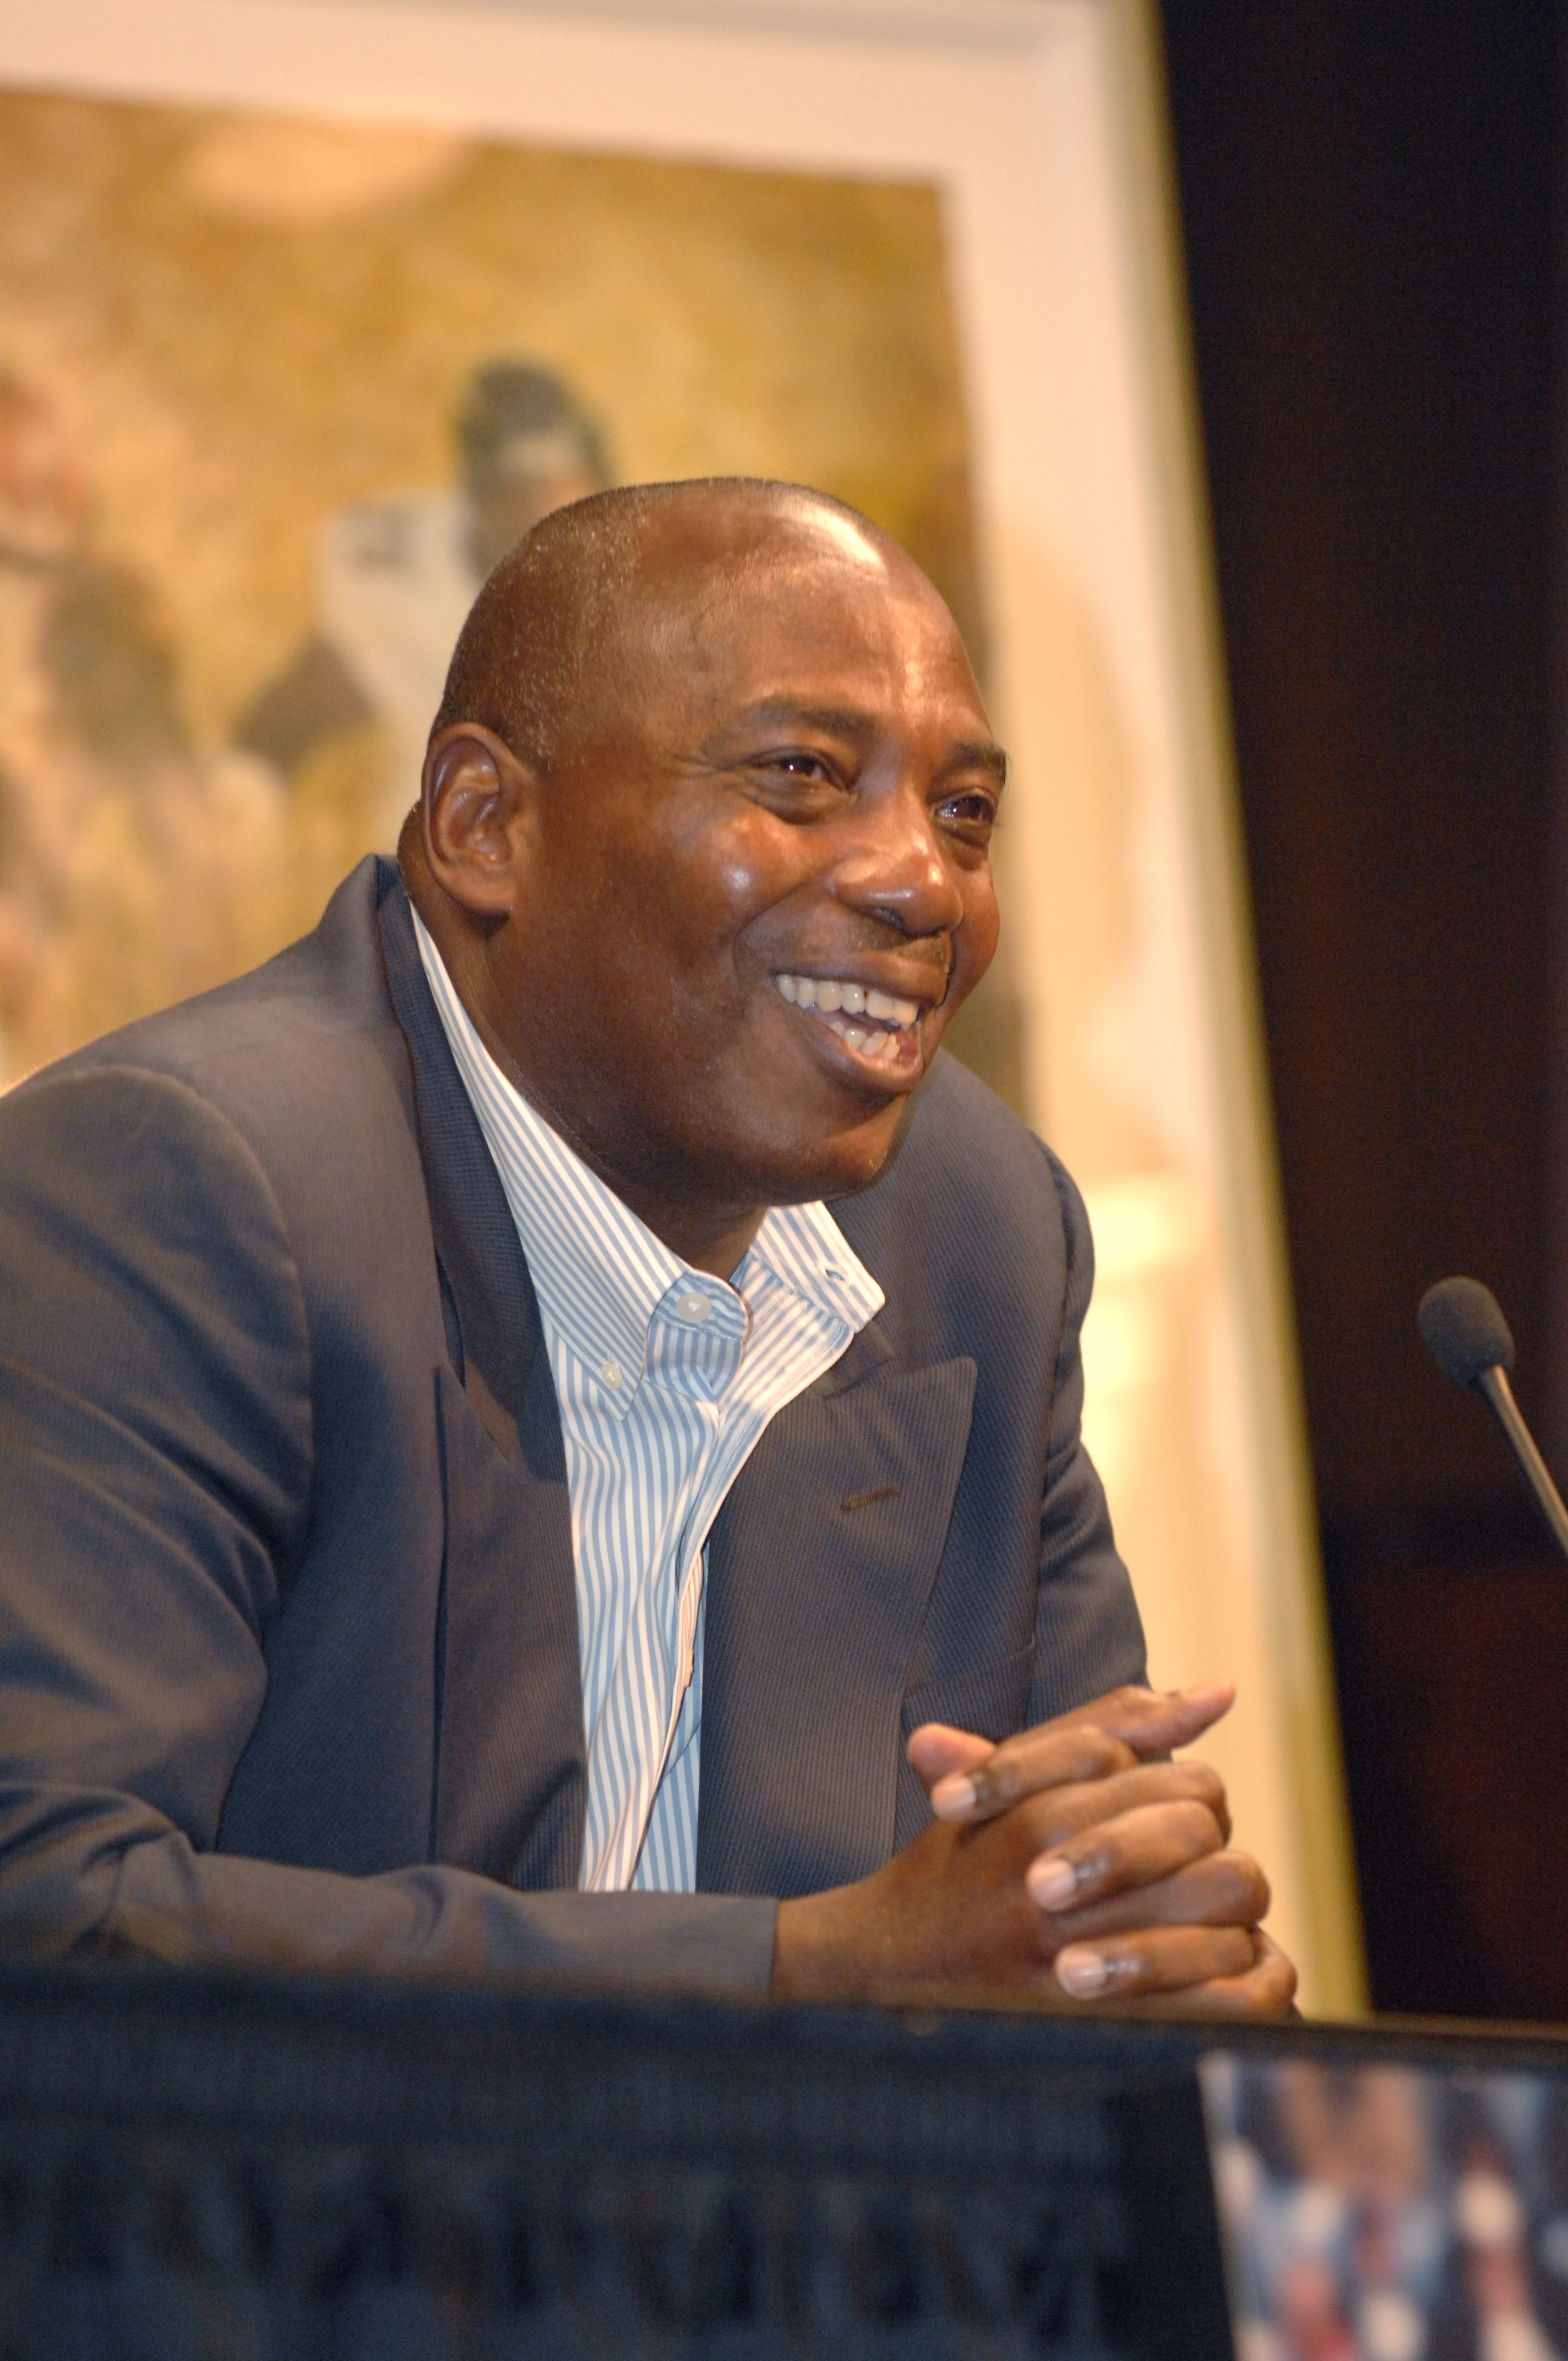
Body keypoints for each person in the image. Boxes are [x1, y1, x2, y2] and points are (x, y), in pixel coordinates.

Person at [0, 477, 1293, 2014]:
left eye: (964, 814)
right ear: (487, 827)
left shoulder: (982, 1237)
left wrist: (1125, 1951)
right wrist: (799, 1973)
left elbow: (1037, 1909)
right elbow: (51, 1913)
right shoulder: (176, 1185)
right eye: (805, 776)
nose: (921, 881)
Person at [233, 362, 609, 843]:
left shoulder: (642, 607)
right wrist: (251, 778)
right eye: (528, 494)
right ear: (483, 492)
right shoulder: (407, 575)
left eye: (573, 491)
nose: (555, 518)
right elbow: (325, 690)